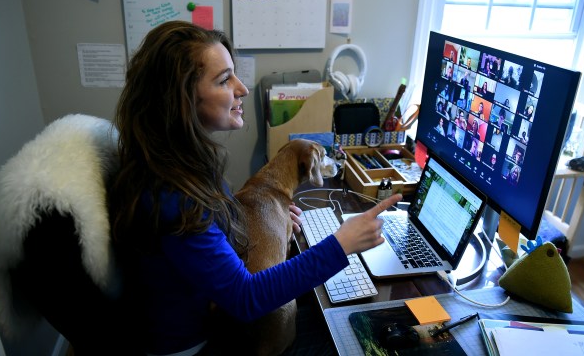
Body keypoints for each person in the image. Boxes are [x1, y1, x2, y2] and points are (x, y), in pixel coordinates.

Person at [108, 21, 402, 356]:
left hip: (215, 317)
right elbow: (246, 298)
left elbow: (206, 249)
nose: (242, 88)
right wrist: (341, 244)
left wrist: (272, 225)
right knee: (363, 337)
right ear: (180, 99)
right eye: (223, 80)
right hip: (204, 344)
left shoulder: (180, 167)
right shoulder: (172, 195)